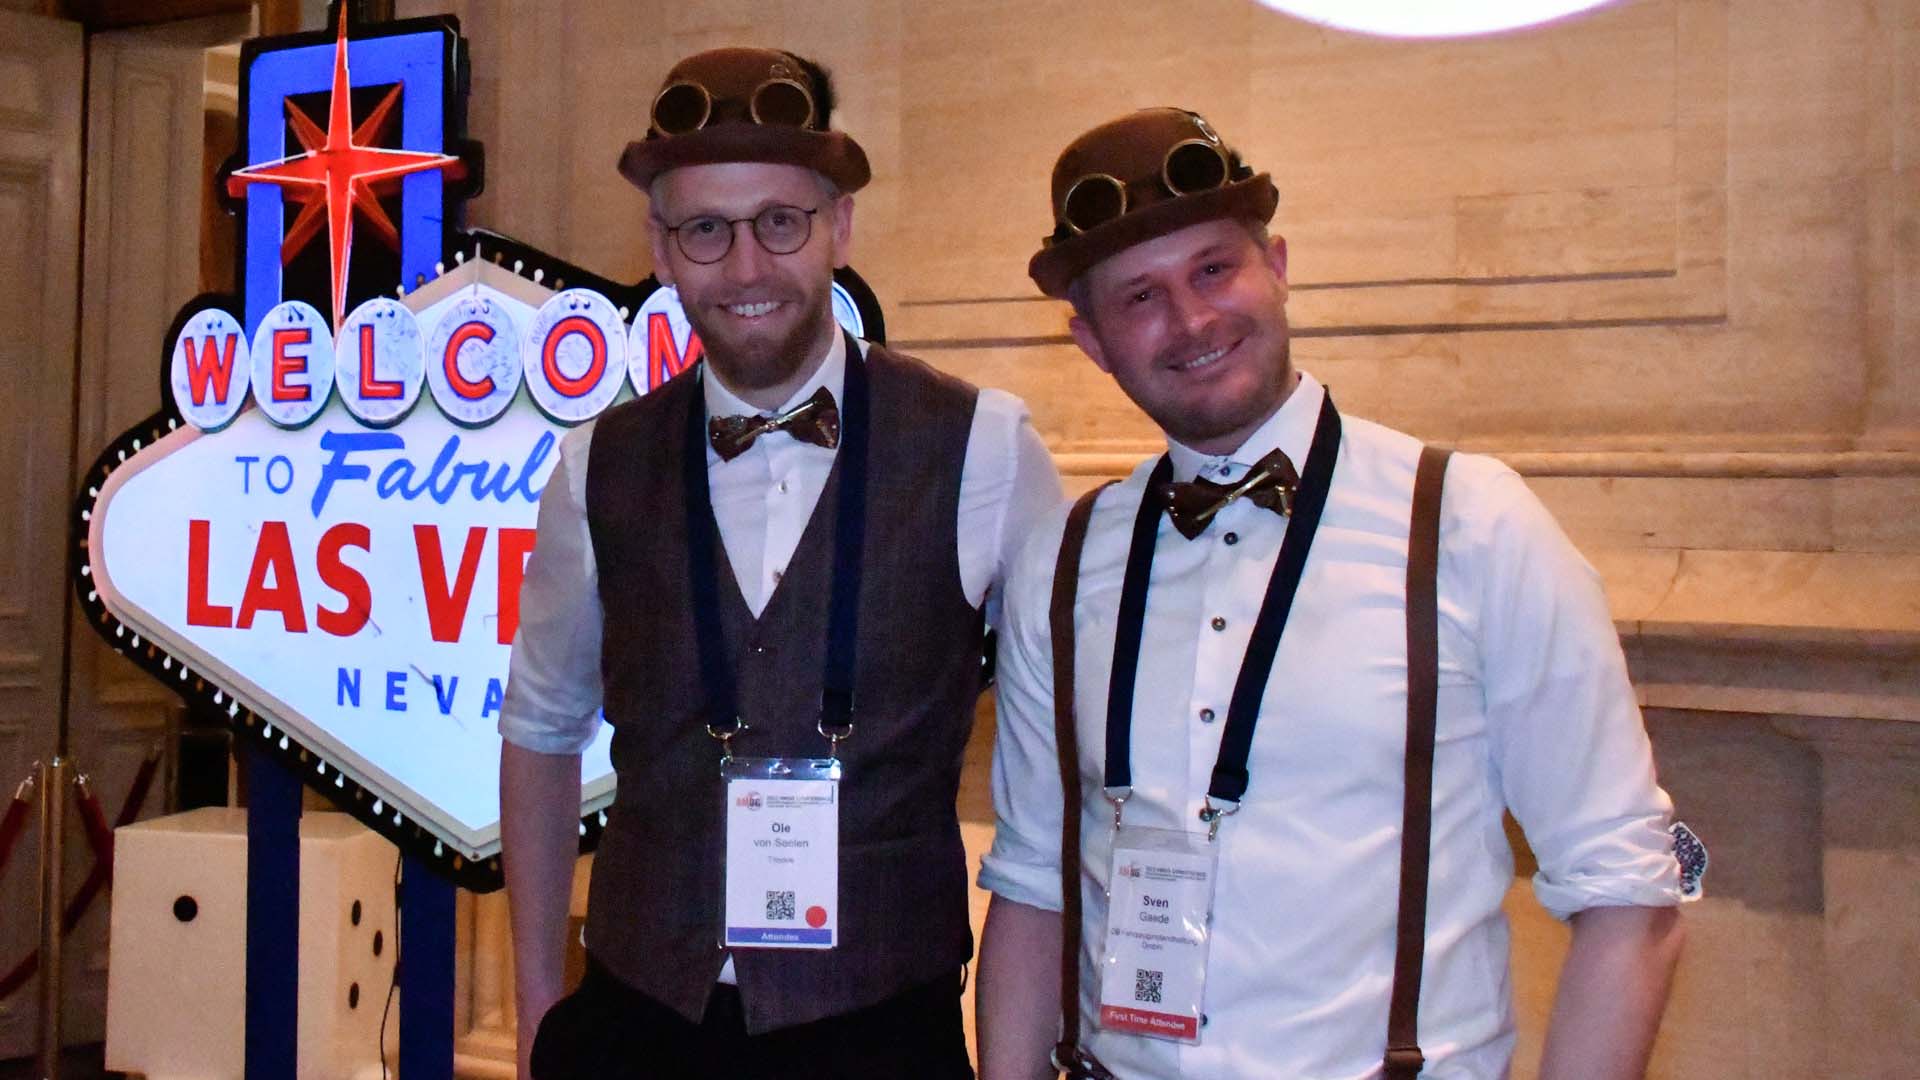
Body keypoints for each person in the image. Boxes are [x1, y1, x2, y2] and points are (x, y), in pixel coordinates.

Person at [975, 107, 1694, 1079]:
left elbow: (1627, 890)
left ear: (1277, 265)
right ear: (1093, 341)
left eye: (1214, 270)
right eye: (1140, 297)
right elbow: (1034, 882)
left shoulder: (1471, 523)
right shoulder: (1061, 562)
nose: (1192, 320)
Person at [498, 47, 1061, 1080]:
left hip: (881, 1032)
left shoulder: (987, 449)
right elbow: (540, 729)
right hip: (637, 1022)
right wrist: (540, 1010)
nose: (747, 268)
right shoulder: (595, 466)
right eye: (706, 230)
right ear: (660, 249)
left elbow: (1048, 791)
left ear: (839, 225)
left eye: (781, 222)